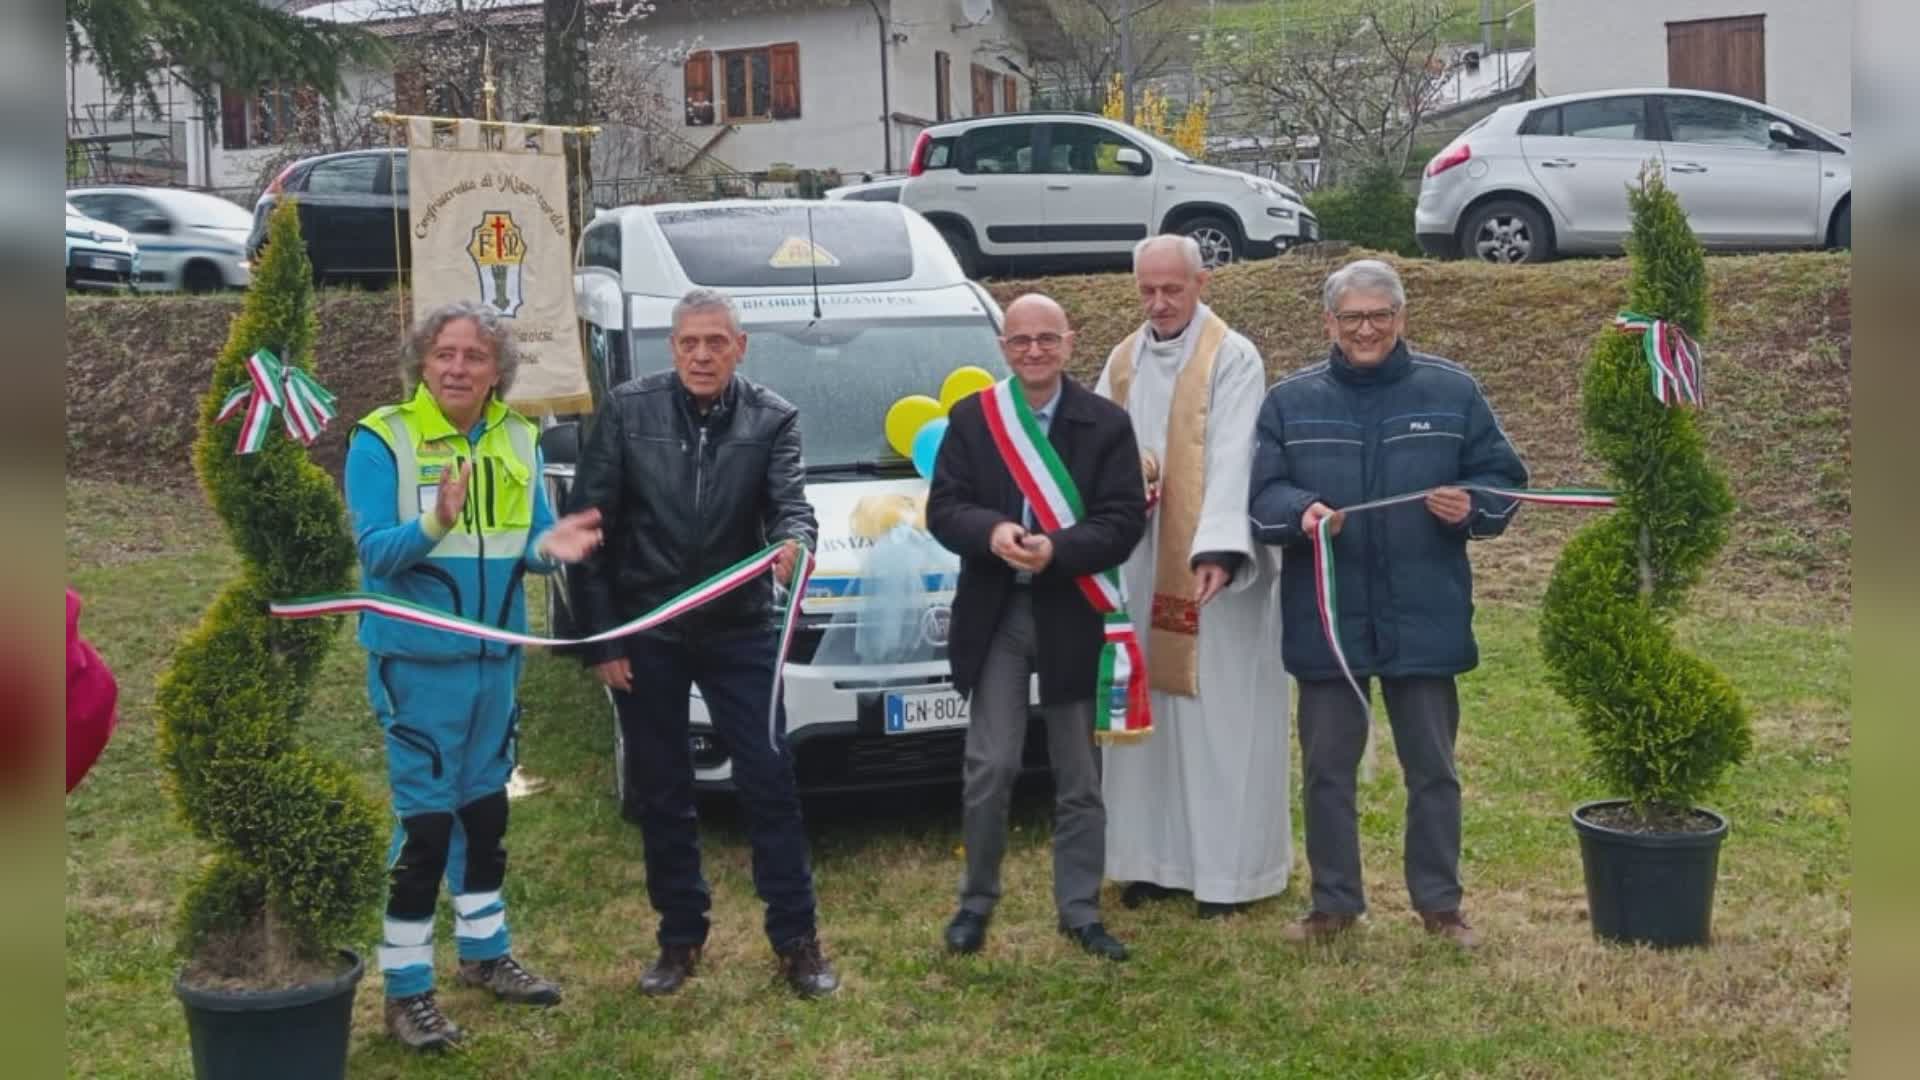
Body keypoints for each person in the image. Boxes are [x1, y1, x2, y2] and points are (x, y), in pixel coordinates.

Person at [1248, 259, 1528, 950]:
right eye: (1353, 318)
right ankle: (1334, 903)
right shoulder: (1290, 402)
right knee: (1326, 769)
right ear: (1329, 324)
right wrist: (1299, 511)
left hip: (1424, 611)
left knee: (1432, 768)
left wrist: (1472, 507)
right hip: (1329, 618)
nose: (1366, 329)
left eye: (1379, 316)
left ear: (1400, 319)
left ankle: (1440, 905)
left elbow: (1502, 480)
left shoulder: (1452, 390)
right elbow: (1260, 496)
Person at [346, 302, 604, 1050]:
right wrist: (435, 521)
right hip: (420, 663)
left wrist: (549, 547)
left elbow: (524, 544)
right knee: (426, 826)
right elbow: (376, 557)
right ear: (422, 363)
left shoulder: (519, 438)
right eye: (444, 355)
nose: (457, 368)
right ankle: (406, 991)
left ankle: (487, 956)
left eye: (474, 357)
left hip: (497, 658)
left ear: (499, 372)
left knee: (484, 815)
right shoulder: (383, 439)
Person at [570, 287, 838, 998]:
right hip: (646, 629)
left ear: (740, 347)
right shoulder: (628, 411)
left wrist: (794, 545)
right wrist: (603, 641)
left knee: (770, 781)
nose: (702, 353)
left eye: (716, 341)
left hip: (740, 628)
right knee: (663, 789)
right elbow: (588, 528)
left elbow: (792, 508)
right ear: (672, 347)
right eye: (689, 341)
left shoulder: (774, 417)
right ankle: (680, 937)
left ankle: (797, 941)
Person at [926, 293, 1147, 961]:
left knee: (1079, 775)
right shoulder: (973, 419)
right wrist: (992, 531)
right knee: (990, 766)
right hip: (997, 611)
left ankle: (1079, 908)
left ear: (1070, 342)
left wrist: (1059, 550)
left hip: (1072, 609)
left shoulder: (1106, 424)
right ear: (1003, 347)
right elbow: (944, 509)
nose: (1033, 351)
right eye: (1020, 340)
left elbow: (1123, 519)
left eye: (1046, 339)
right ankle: (976, 901)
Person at [1095, 235, 1292, 920]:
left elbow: (1237, 454)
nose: (1158, 304)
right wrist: (1125, 489)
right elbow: (1099, 448)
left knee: (1217, 720)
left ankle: (1228, 874)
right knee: (1148, 716)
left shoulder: (1232, 358)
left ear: (1202, 283)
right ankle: (1149, 861)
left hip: (1211, 572)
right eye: (1147, 290)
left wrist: (1216, 548)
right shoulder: (1122, 361)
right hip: (1141, 560)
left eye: (1171, 290)